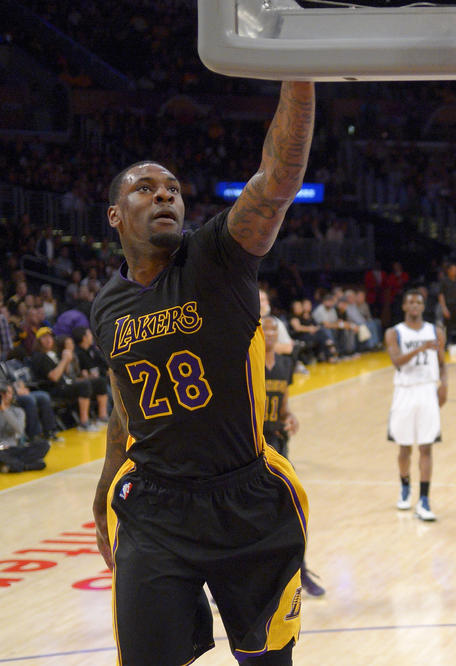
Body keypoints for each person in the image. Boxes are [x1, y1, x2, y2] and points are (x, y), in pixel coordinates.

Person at [90, 81, 315, 666]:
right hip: (155, 508)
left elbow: (277, 180)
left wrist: (301, 72)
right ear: (116, 215)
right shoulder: (106, 306)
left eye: (173, 190)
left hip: (247, 498)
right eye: (146, 188)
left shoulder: (217, 254)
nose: (165, 196)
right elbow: (125, 405)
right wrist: (103, 491)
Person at [260, 315, 325, 597]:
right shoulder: (247, 365)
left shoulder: (285, 365)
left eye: (275, 329)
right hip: (253, 449)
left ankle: (300, 571)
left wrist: (289, 416)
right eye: (266, 329)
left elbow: (283, 400)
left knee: (294, 511)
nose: (271, 333)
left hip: (279, 445)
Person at [385, 289, 447, 521]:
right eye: (410, 302)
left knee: (426, 446)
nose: (414, 305)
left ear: (422, 306)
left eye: (418, 302)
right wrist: (421, 348)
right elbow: (397, 362)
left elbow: (441, 362)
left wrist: (444, 386)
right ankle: (404, 486)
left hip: (426, 390)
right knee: (403, 447)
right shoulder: (394, 333)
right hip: (404, 391)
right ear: (404, 306)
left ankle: (424, 500)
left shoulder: (435, 331)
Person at [30, 327, 107, 431]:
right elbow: (54, 377)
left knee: (100, 382)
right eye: (44, 338)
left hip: (65, 383)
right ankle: (84, 422)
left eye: (50, 337)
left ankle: (102, 416)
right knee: (84, 386)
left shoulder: (54, 354)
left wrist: (68, 360)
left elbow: (65, 374)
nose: (48, 340)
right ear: (38, 341)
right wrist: (65, 360)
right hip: (54, 389)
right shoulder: (39, 357)